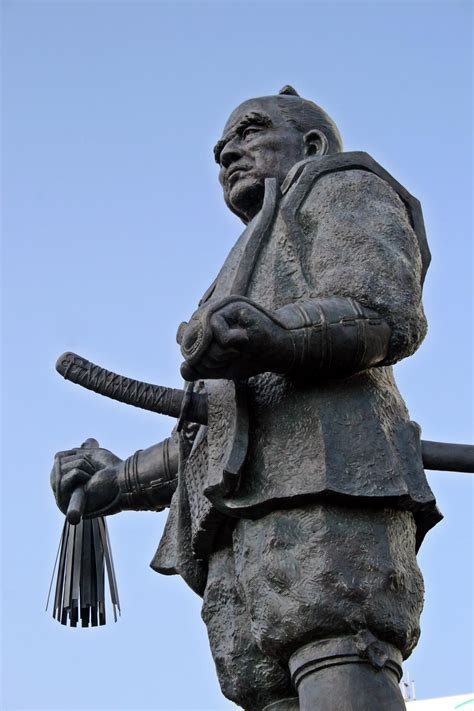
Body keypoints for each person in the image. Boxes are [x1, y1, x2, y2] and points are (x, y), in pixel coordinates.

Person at [51, 86, 441, 711]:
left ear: (310, 144)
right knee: (260, 690)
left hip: (328, 485)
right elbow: (220, 433)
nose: (228, 152)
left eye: (250, 131)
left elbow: (383, 311)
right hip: (236, 530)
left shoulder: (338, 184)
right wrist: (117, 481)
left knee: (339, 651)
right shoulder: (240, 268)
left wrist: (279, 334)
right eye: (220, 147)